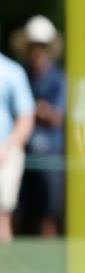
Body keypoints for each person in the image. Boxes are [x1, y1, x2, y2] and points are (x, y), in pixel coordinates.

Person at [11, 15, 66, 237]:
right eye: (33, 46)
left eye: (41, 46)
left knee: (48, 214)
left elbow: (58, 117)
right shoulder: (20, 74)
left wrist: (37, 111)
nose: (37, 51)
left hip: (50, 156)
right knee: (16, 212)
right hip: (20, 152)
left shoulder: (59, 78)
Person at [0, 26, 35, 242]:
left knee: (1, 215)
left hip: (5, 152)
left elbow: (25, 117)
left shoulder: (11, 71)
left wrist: (7, 147)